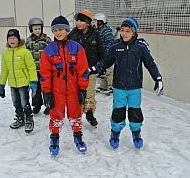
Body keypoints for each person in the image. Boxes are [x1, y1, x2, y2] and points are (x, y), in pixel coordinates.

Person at [96, 18, 163, 150]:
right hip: (119, 87)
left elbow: (150, 63)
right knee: (118, 112)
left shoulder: (140, 47)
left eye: (128, 31)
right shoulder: (115, 46)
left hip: (135, 87)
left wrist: (158, 78)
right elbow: (106, 62)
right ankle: (115, 134)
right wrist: (94, 69)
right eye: (122, 30)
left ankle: (136, 134)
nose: (125, 33)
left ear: (134, 32)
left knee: (135, 112)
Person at [40, 15, 90, 157]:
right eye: (55, 30)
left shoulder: (76, 48)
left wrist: (82, 88)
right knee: (56, 115)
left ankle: (78, 136)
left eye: (61, 29)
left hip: (74, 89)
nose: (58, 33)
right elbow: (44, 73)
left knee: (75, 113)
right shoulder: (49, 50)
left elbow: (83, 70)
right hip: (57, 90)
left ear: (67, 31)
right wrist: (47, 92)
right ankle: (54, 138)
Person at [69, 10, 105, 127]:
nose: (78, 23)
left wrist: (97, 67)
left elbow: (102, 54)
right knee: (76, 94)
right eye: (77, 20)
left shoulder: (95, 35)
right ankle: (76, 115)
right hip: (76, 72)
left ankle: (89, 113)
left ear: (88, 23)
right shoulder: (72, 35)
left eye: (81, 21)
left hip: (90, 71)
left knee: (89, 94)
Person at [0, 29, 38, 133]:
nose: (12, 40)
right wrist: (1, 84)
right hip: (12, 84)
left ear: (18, 39)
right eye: (10, 38)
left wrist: (33, 82)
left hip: (24, 83)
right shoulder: (5, 54)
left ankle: (29, 119)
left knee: (25, 103)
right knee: (16, 103)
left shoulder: (25, 52)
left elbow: (31, 68)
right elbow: (4, 70)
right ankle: (20, 118)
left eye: (14, 38)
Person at [26, 17, 52, 115]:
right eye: (35, 29)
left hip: (45, 70)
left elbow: (51, 52)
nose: (37, 31)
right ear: (31, 29)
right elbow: (26, 54)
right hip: (34, 70)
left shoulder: (46, 39)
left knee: (46, 89)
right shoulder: (28, 41)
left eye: (39, 28)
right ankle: (37, 105)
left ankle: (48, 105)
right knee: (35, 90)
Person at [93, 13, 114, 95]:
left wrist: (106, 52)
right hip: (101, 54)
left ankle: (111, 85)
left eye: (95, 21)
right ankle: (103, 86)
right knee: (102, 70)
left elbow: (110, 42)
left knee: (108, 70)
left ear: (100, 22)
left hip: (107, 54)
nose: (94, 23)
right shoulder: (98, 30)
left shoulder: (106, 30)